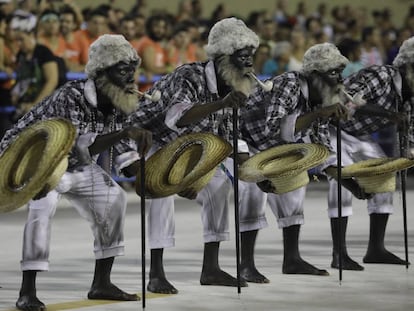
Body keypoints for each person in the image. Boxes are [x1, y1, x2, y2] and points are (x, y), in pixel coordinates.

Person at [0, 34, 153, 311]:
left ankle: (101, 283)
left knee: (114, 199)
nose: (130, 76)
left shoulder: (122, 100)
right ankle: (27, 291)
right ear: (101, 72)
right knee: (41, 210)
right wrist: (125, 131)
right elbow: (76, 145)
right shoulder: (71, 95)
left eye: (133, 67)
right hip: (36, 162)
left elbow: (123, 148)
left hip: (73, 164)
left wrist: (146, 173)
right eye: (122, 69)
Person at [128, 17, 259, 294]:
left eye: (251, 57)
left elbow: (229, 135)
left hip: (194, 148)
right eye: (243, 57)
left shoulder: (240, 83)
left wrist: (256, 172)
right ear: (223, 57)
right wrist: (221, 103)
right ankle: (156, 273)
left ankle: (210, 268)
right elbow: (178, 118)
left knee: (220, 186)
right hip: (155, 140)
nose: (249, 63)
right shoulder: (190, 75)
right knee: (160, 196)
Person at [238, 42, 365, 279]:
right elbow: (273, 127)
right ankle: (245, 265)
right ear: (315, 75)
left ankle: (292, 260)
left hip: (276, 147)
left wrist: (352, 183)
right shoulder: (289, 84)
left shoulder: (321, 98)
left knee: (296, 187)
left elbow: (321, 148)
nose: (340, 80)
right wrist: (317, 114)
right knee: (253, 194)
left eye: (340, 72)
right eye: (333, 72)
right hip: (247, 142)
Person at [327, 36, 414, 270]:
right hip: (332, 129)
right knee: (342, 181)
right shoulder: (380, 75)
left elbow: (410, 133)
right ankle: (339, 254)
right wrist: (388, 114)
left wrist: (407, 155)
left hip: (359, 136)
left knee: (384, 177)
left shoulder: (410, 93)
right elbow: (345, 99)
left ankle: (376, 249)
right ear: (408, 66)